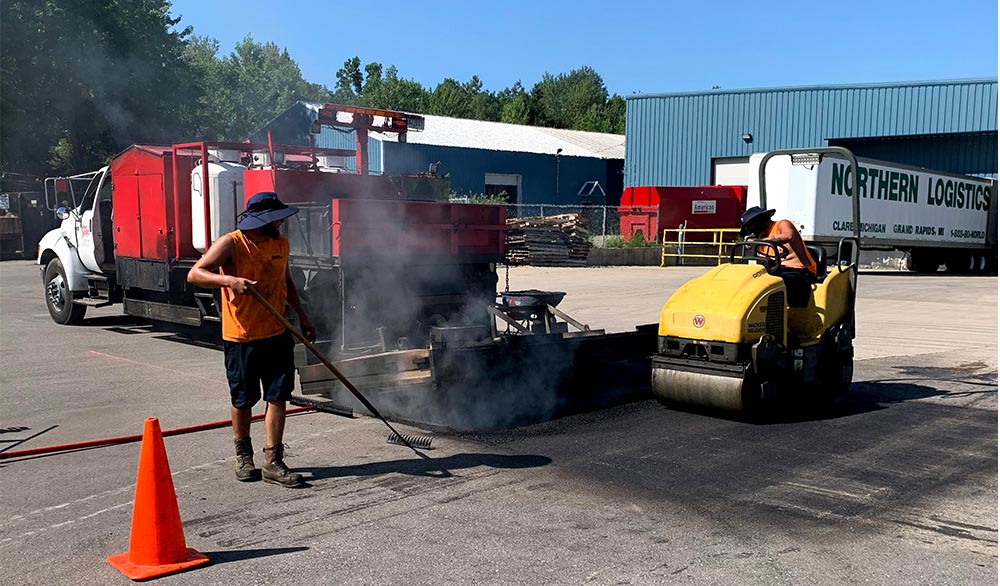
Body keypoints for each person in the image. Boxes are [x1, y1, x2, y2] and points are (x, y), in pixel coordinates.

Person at [187, 191, 316, 488]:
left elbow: (286, 281)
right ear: (264, 220)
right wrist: (228, 280)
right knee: (243, 400)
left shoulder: (280, 243)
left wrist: (303, 316)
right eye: (277, 218)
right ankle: (243, 455)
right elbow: (196, 274)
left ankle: (273, 460)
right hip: (242, 337)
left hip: (277, 331)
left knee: (278, 396)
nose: (282, 222)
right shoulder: (231, 243)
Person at [740, 206, 817, 307]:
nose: (752, 231)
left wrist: (763, 241)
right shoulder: (762, 240)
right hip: (779, 270)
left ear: (760, 220)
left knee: (777, 283)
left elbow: (788, 235)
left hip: (801, 271)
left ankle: (785, 314)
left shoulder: (782, 224)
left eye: (752, 226)